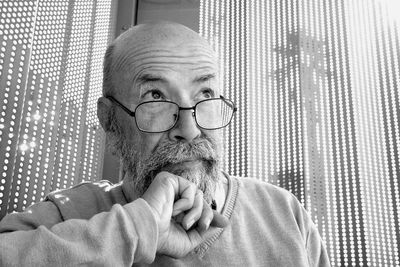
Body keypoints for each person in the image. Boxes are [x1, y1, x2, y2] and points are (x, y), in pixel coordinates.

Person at [0, 21, 330, 266]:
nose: (188, 129)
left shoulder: (283, 212)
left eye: (205, 93)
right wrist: (137, 228)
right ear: (110, 123)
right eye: (155, 96)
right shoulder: (71, 215)